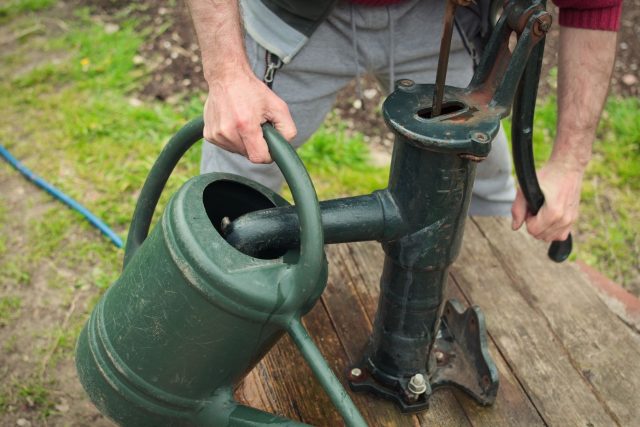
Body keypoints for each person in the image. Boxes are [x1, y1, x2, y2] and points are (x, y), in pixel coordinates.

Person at [185, 0, 621, 243]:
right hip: (297, 13)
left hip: (439, 16)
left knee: (479, 176)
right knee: (233, 182)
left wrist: (569, 163)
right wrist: (227, 74)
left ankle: (470, 294)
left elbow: (592, 5)